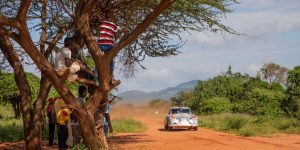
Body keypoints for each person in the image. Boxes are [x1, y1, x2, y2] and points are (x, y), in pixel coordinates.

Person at [98, 11, 121, 85]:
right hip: (109, 45)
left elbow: (100, 33)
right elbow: (116, 37)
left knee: (102, 60)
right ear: (112, 17)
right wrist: (120, 32)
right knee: (111, 62)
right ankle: (110, 77)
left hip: (101, 45)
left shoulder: (101, 23)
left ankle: (102, 77)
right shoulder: (114, 25)